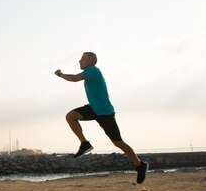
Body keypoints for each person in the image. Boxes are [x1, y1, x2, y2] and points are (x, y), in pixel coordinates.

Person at [55, 52, 148, 184]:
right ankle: (84, 144)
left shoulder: (93, 70)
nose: (79, 61)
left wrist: (60, 74)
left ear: (89, 60)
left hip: (104, 112)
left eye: (82, 59)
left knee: (118, 142)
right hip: (93, 108)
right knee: (71, 116)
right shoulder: (89, 72)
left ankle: (140, 165)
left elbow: (75, 78)